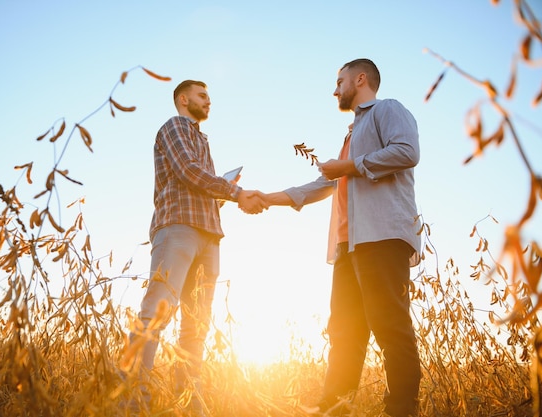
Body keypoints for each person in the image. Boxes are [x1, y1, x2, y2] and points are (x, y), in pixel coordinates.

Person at [260, 59, 421, 417]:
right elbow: (323, 185)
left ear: (360, 79)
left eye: (339, 81)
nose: (335, 90)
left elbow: (408, 152)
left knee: (389, 324)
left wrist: (347, 166)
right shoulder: (351, 134)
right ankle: (334, 408)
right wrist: (267, 198)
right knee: (344, 331)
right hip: (349, 246)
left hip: (381, 238)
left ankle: (401, 409)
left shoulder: (387, 109)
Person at [128, 79, 266, 415]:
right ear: (183, 98)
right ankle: (132, 402)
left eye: (209, 97)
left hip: (208, 234)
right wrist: (235, 192)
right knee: (156, 312)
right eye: (203, 96)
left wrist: (226, 191)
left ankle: (189, 405)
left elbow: (198, 184)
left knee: (196, 324)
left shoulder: (201, 138)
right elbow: (189, 172)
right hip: (178, 229)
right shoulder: (174, 126)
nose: (208, 102)